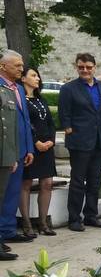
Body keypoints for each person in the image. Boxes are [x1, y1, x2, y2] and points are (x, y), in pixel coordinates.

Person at [58, 53, 101, 232]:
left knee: (95, 180)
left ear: (94, 67)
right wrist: (68, 129)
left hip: (100, 140)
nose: (85, 70)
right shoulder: (69, 88)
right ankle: (74, 218)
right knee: (78, 180)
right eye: (81, 67)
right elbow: (64, 112)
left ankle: (91, 215)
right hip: (79, 141)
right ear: (77, 67)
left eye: (88, 67)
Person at [19, 66, 57, 237]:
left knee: (47, 183)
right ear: (23, 79)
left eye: (38, 76)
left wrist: (51, 141)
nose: (37, 79)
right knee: (26, 183)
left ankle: (43, 223)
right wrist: (36, 142)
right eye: (33, 75)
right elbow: (25, 124)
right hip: (30, 147)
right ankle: (27, 224)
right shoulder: (20, 99)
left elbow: (50, 123)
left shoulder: (41, 100)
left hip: (46, 147)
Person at [0, 52, 33, 245]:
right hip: (5, 151)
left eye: (22, 65)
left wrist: (29, 148)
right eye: (17, 66)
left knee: (12, 192)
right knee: (2, 193)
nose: (22, 69)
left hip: (20, 149)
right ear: (3, 66)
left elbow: (25, 121)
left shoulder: (19, 89)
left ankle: (8, 229)